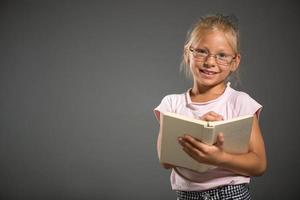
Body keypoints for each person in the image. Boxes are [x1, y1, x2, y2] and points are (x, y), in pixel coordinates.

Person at [153, 14, 267, 200]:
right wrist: (197, 131)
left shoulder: (241, 102)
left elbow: (259, 165)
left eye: (222, 55)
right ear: (187, 54)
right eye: (201, 51)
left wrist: (220, 158)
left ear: (235, 62)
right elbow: (165, 160)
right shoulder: (171, 104)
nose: (210, 62)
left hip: (231, 195)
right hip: (187, 196)